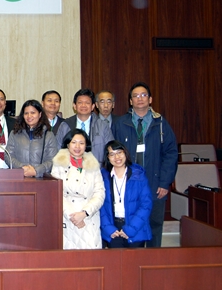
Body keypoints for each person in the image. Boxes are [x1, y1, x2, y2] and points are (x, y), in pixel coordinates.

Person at [112, 82, 177, 247]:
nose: (139, 99)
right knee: (132, 225)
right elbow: (113, 153)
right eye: (135, 96)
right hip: (129, 183)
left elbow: (170, 154)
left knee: (154, 225)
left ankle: (153, 263)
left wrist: (164, 182)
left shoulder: (161, 123)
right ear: (130, 101)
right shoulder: (121, 123)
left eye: (143, 95)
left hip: (155, 183)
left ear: (150, 99)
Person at [51, 129, 105, 249]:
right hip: (69, 217)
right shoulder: (59, 164)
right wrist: (73, 216)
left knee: (91, 260)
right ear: (67, 144)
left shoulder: (94, 164)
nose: (77, 146)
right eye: (74, 142)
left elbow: (99, 193)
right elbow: (57, 193)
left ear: (86, 145)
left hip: (89, 218)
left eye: (81, 143)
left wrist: (85, 213)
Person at [100, 140, 152, 248]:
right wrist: (108, 228)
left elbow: (146, 205)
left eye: (119, 152)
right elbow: (100, 206)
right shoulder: (102, 177)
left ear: (125, 153)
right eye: (112, 154)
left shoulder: (139, 175)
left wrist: (130, 229)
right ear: (108, 158)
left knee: (135, 263)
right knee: (114, 263)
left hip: (136, 227)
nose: (117, 157)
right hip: (112, 228)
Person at [55, 88, 113, 166]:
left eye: (87, 103)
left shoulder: (102, 126)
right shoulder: (65, 125)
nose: (83, 105)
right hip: (70, 171)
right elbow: (57, 150)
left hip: (96, 171)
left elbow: (110, 150)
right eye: (80, 102)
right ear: (74, 106)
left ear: (93, 106)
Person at [5, 100, 58, 177]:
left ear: (40, 114)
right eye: (26, 113)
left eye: (33, 113)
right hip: (19, 178)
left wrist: (36, 171)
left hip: (41, 179)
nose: (29, 116)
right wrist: (22, 168)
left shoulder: (48, 135)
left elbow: (52, 160)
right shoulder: (14, 134)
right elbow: (8, 156)